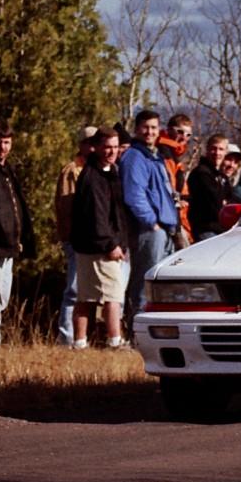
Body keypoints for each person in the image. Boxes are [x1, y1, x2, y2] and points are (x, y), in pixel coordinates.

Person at [0, 119, 36, 352]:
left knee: (1, 299)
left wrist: (19, 238)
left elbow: (17, 209)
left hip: (9, 247)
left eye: (6, 142)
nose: (2, 147)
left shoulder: (8, 172)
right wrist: (2, 228)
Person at [70, 127, 129, 350]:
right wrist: (111, 244)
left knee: (87, 297)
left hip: (93, 245)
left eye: (115, 147)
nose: (111, 151)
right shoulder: (93, 177)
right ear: (96, 147)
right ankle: (115, 341)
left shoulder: (109, 171)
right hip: (98, 247)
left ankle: (80, 343)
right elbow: (97, 215)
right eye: (107, 147)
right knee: (112, 295)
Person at [121, 110, 178, 325]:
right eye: (145, 127)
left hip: (165, 228)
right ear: (136, 129)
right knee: (144, 282)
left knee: (160, 283)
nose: (149, 132)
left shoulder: (155, 156)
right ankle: (135, 327)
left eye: (154, 127)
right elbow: (134, 195)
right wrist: (151, 223)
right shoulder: (135, 157)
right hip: (149, 230)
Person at [54, 125, 97, 345]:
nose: (92, 147)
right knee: (73, 290)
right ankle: (66, 338)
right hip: (76, 239)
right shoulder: (73, 170)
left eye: (95, 142)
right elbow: (67, 207)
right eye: (88, 143)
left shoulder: (97, 169)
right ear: (81, 145)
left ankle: (83, 337)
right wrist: (72, 239)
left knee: (88, 291)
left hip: (92, 241)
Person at [158, 114, 193, 249]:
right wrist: (178, 200)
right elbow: (169, 184)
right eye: (180, 132)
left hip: (178, 217)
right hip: (170, 218)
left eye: (188, 135)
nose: (184, 137)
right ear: (169, 130)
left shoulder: (174, 154)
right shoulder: (164, 152)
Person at [188, 134, 230, 240]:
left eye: (221, 149)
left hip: (222, 230)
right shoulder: (200, 173)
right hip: (204, 229)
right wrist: (222, 202)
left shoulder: (223, 177)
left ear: (226, 152)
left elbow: (230, 201)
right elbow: (214, 202)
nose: (217, 153)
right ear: (207, 150)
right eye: (213, 148)